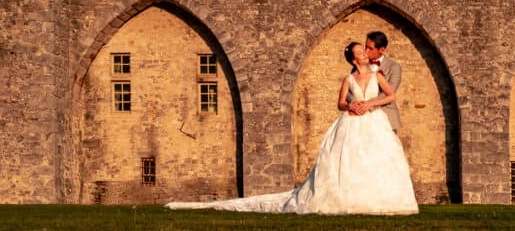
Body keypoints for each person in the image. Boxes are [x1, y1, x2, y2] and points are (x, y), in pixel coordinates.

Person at [166, 41, 418, 215]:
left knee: (377, 161)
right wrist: (350, 106)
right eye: (360, 52)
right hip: (352, 122)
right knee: (348, 162)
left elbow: (391, 96)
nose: (364, 53)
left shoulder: (377, 75)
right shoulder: (349, 78)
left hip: (374, 121)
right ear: (353, 58)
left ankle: (379, 199)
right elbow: (340, 102)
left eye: (364, 51)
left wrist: (369, 104)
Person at [360, 30, 402, 130]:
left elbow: (389, 92)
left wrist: (368, 104)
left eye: (370, 48)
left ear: (382, 49)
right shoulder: (359, 64)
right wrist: (355, 103)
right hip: (361, 117)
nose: (366, 51)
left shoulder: (394, 67)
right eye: (366, 47)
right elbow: (350, 87)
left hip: (386, 115)